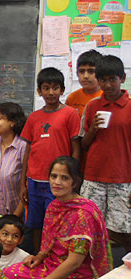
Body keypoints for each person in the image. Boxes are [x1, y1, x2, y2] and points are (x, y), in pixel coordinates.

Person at [1, 157, 112, 279]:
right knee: (5, 275)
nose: (57, 182)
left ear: (75, 182)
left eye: (64, 178)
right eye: (53, 176)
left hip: (75, 276)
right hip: (50, 266)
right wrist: (39, 256)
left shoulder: (82, 215)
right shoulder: (54, 206)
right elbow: (50, 244)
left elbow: (74, 262)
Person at [20, 67, 81, 253]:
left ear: (62, 90)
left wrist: (73, 178)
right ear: (39, 91)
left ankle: (56, 258)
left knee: (57, 223)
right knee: (36, 223)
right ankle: (40, 256)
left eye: (55, 88)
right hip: (34, 181)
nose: (51, 92)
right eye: (46, 88)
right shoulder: (33, 117)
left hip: (57, 182)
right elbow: (28, 150)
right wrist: (23, 183)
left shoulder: (70, 114)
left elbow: (76, 148)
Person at [80, 55, 131, 253]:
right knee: (90, 226)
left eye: (112, 79)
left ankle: (125, 272)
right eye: (103, 80)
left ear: (123, 78)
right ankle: (95, 269)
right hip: (94, 177)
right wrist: (93, 128)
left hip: (123, 178)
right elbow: (84, 143)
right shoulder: (92, 106)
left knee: (124, 230)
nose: (107, 84)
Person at [0, 102, 27, 216]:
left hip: (19, 217)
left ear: (12, 122)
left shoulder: (22, 147)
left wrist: (16, 216)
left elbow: (27, 185)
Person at [65, 50, 103, 118]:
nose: (85, 76)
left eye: (91, 71)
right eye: (81, 71)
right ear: (77, 73)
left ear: (100, 73)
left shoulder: (107, 96)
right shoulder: (72, 98)